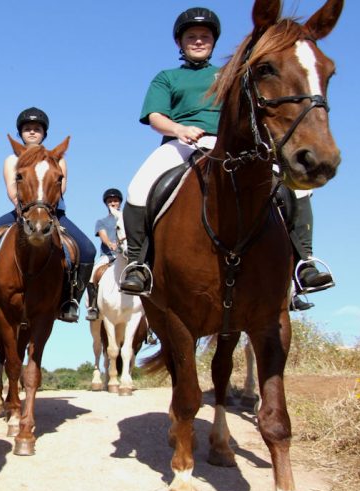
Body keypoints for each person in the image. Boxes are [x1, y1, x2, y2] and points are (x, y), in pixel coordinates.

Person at [118, 7, 334, 299]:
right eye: (191, 36)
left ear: (213, 41)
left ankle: (304, 262)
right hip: (183, 144)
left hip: (230, 146)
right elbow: (156, 116)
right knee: (138, 188)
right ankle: (138, 264)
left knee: (296, 192)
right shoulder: (167, 77)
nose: (198, 41)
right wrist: (180, 129)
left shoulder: (230, 73)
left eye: (204, 36)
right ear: (180, 43)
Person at [0, 107, 96, 322]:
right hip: (21, 212)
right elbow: (11, 189)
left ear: (44, 133)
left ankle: (70, 300)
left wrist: (44, 208)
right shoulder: (11, 159)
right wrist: (26, 209)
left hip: (54, 213)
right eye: (27, 129)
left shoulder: (58, 159)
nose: (32, 132)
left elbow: (61, 189)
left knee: (88, 249)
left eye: (37, 129)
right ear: (20, 133)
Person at [85, 188, 123, 321]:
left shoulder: (127, 219)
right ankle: (93, 307)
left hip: (125, 254)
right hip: (108, 256)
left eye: (115, 201)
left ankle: (148, 323)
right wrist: (110, 244)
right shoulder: (102, 222)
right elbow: (103, 236)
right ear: (106, 204)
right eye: (110, 201)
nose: (113, 203)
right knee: (92, 274)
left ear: (119, 203)